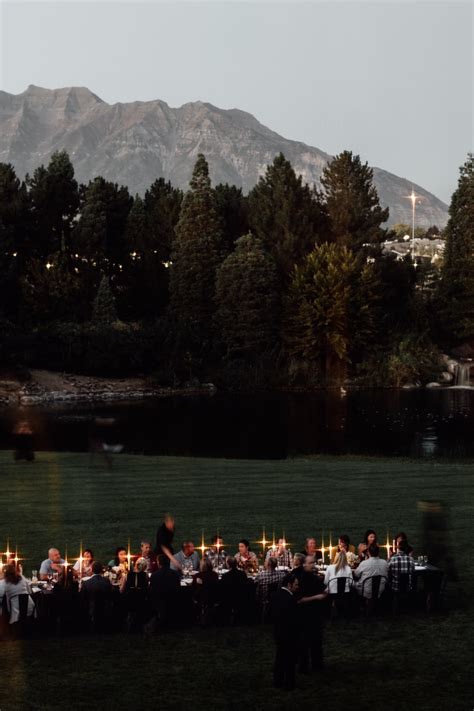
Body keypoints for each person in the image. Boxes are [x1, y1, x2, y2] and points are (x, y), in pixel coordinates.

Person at [297, 556, 328, 673]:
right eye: (310, 563)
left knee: (316, 641)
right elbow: (300, 599)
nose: (313, 565)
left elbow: (324, 590)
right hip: (305, 614)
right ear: (304, 564)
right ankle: (306, 666)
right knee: (305, 642)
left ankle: (316, 665)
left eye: (313, 563)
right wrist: (317, 597)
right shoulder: (301, 579)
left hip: (315, 614)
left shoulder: (313, 578)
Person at [271, 572, 299, 690]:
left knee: (279, 657)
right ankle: (289, 683)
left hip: (278, 632)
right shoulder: (291, 599)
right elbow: (293, 618)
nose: (298, 587)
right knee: (290, 659)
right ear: (289, 584)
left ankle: (277, 681)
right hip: (289, 633)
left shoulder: (276, 595)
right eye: (296, 585)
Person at [150, 554, 181, 627]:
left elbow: (152, 589)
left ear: (158, 563)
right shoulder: (175, 574)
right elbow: (178, 587)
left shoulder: (154, 575)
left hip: (159, 601)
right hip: (173, 600)